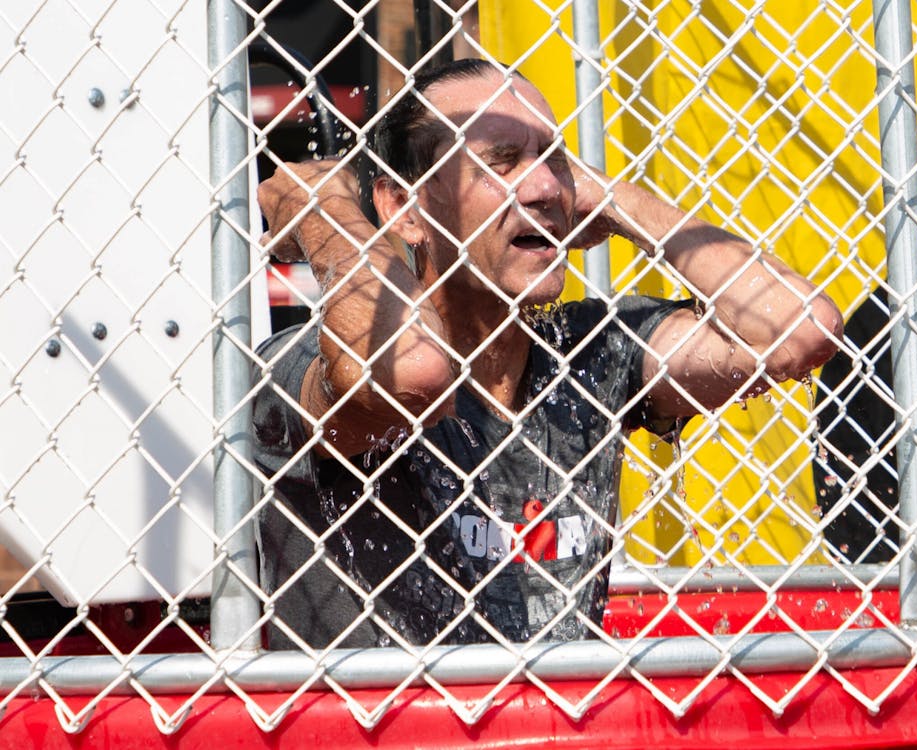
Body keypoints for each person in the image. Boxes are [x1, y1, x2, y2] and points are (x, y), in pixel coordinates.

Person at [252, 58, 843, 650]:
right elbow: (413, 373)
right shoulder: (307, 360)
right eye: (500, 162)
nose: (542, 188)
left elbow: (801, 331)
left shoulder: (586, 351)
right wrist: (324, 210)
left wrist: (612, 198)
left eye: (554, 160)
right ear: (406, 208)